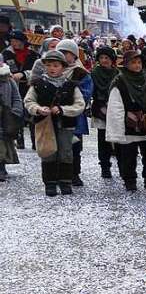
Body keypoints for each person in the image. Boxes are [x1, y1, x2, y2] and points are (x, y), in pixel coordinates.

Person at [24, 50, 85, 196]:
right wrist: (38, 109)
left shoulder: (71, 86)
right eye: (49, 65)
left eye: (56, 65)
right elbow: (28, 101)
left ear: (63, 67)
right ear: (44, 66)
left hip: (66, 124)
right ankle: (50, 184)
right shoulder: (38, 84)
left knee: (66, 153)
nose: (52, 68)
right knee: (48, 152)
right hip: (46, 125)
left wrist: (63, 110)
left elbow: (80, 104)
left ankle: (65, 182)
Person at [106, 49, 146, 192]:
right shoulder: (119, 82)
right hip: (129, 124)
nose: (137, 65)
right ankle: (130, 180)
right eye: (133, 62)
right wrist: (117, 132)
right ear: (126, 64)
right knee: (128, 155)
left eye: (139, 62)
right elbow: (116, 107)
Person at [56, 38, 93, 187]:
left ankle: (74, 174)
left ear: (74, 55)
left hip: (74, 116)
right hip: (55, 116)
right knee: (57, 146)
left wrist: (66, 101)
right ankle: (59, 174)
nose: (64, 55)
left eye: (67, 52)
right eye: (61, 52)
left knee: (75, 147)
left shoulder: (81, 73)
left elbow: (85, 94)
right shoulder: (53, 70)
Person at [2, 31, 39, 148]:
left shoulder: (32, 54)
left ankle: (35, 141)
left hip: (29, 86)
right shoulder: (6, 54)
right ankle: (19, 138)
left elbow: (36, 70)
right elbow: (3, 68)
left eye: (17, 41)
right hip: (13, 87)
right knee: (17, 113)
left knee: (32, 113)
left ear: (23, 42)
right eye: (12, 41)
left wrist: (23, 74)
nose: (15, 43)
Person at [89, 46, 119, 179]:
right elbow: (92, 90)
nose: (104, 60)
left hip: (116, 108)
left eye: (107, 57)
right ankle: (105, 167)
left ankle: (122, 165)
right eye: (101, 58)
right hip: (100, 108)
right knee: (103, 139)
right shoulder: (94, 73)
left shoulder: (117, 73)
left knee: (118, 138)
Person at [0, 63, 23, 181]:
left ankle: (1, 166)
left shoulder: (9, 80)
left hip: (6, 115)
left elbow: (16, 97)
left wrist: (15, 112)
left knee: (3, 140)